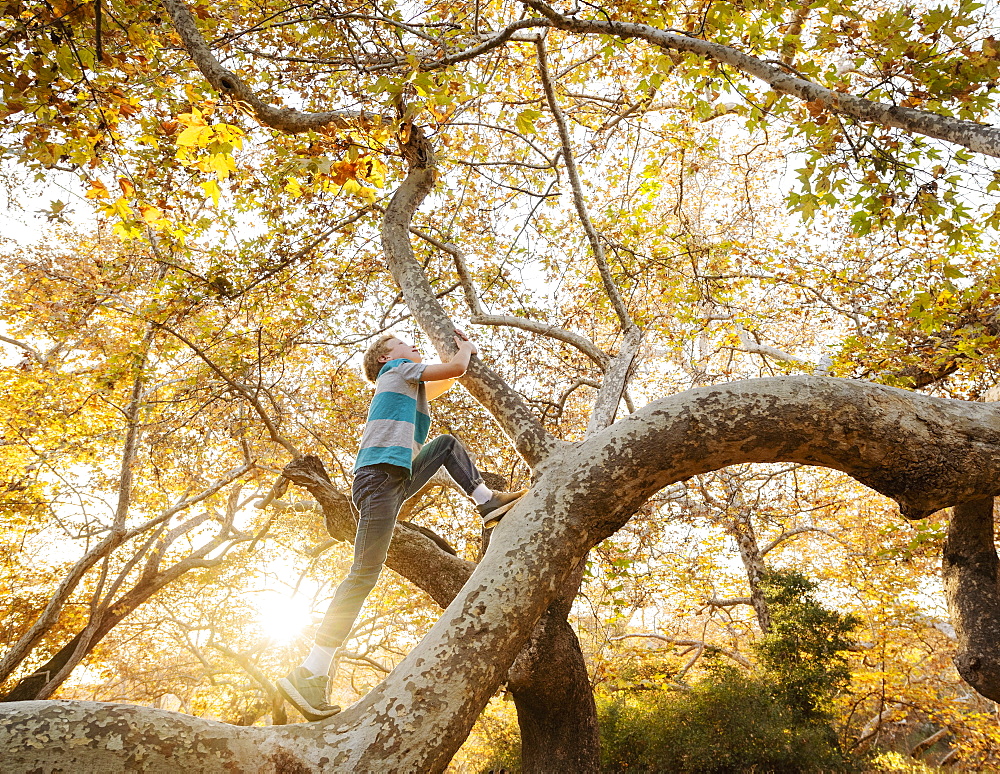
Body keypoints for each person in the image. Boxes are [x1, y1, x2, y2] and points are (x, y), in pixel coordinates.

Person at [278, 330, 525, 720]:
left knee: (445, 445)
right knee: (362, 574)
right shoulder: (396, 370)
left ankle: (487, 503)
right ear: (384, 359)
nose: (413, 348)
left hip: (395, 476)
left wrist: (460, 360)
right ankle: (309, 671)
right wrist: (466, 349)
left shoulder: (407, 385)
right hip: (379, 478)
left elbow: (448, 378)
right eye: (404, 344)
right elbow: (457, 366)